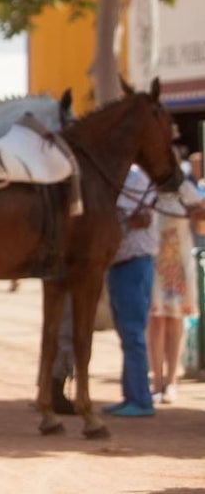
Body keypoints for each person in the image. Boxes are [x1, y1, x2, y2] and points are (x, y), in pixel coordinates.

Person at [102, 164, 158, 417]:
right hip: (122, 264)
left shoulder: (136, 177)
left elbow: (140, 218)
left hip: (134, 263)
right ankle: (132, 395)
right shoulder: (122, 175)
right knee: (128, 333)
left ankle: (141, 399)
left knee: (133, 332)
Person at [147, 185, 202, 404]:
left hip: (178, 263)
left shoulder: (185, 189)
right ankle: (156, 381)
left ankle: (171, 381)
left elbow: (202, 228)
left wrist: (197, 213)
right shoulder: (146, 187)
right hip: (152, 261)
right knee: (155, 320)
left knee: (175, 319)